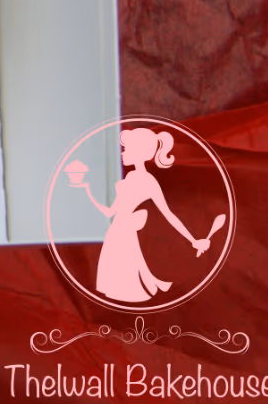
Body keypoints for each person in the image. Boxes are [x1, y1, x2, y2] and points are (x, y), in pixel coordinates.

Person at [69, 126, 211, 303]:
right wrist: (87, 191)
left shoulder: (148, 181)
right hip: (116, 233)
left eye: (126, 149)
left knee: (125, 290)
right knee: (116, 290)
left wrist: (193, 240)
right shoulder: (128, 179)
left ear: (138, 152)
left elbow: (168, 215)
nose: (122, 153)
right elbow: (110, 212)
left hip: (124, 234)